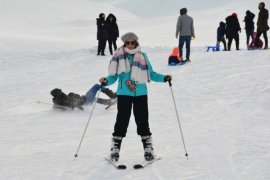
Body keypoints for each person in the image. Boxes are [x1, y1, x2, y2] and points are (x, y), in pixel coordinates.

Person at [99, 32, 172, 162]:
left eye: (133, 42)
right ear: (124, 43)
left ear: (136, 43)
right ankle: (115, 149)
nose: (130, 45)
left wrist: (164, 78)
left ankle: (148, 149)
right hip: (123, 94)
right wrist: (106, 80)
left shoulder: (143, 56)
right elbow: (113, 76)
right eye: (128, 43)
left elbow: (151, 74)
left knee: (142, 120)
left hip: (141, 93)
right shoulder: (118, 56)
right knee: (122, 120)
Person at [50, 84, 117, 110]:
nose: (61, 92)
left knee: (93, 98)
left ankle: (107, 102)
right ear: (58, 93)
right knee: (96, 86)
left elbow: (66, 105)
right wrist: (80, 107)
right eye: (60, 91)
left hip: (84, 101)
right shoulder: (63, 99)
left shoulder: (58, 100)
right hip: (84, 101)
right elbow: (72, 103)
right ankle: (112, 96)